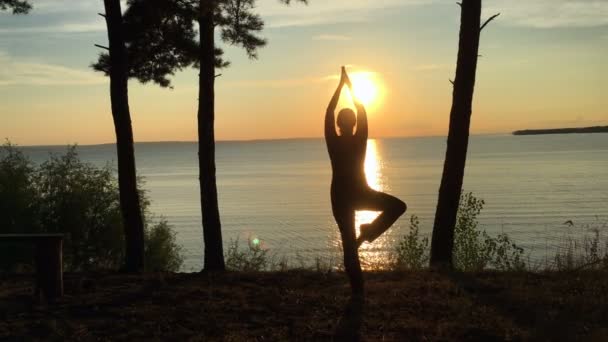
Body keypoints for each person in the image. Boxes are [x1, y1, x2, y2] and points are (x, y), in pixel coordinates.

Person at [325, 66, 407, 295]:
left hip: (344, 195)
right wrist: (350, 88)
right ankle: (367, 235)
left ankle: (358, 287)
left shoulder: (333, 140)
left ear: (340, 124)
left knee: (349, 245)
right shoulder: (360, 139)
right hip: (356, 193)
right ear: (351, 124)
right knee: (397, 207)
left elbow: (330, 112)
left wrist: (340, 87)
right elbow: (361, 111)